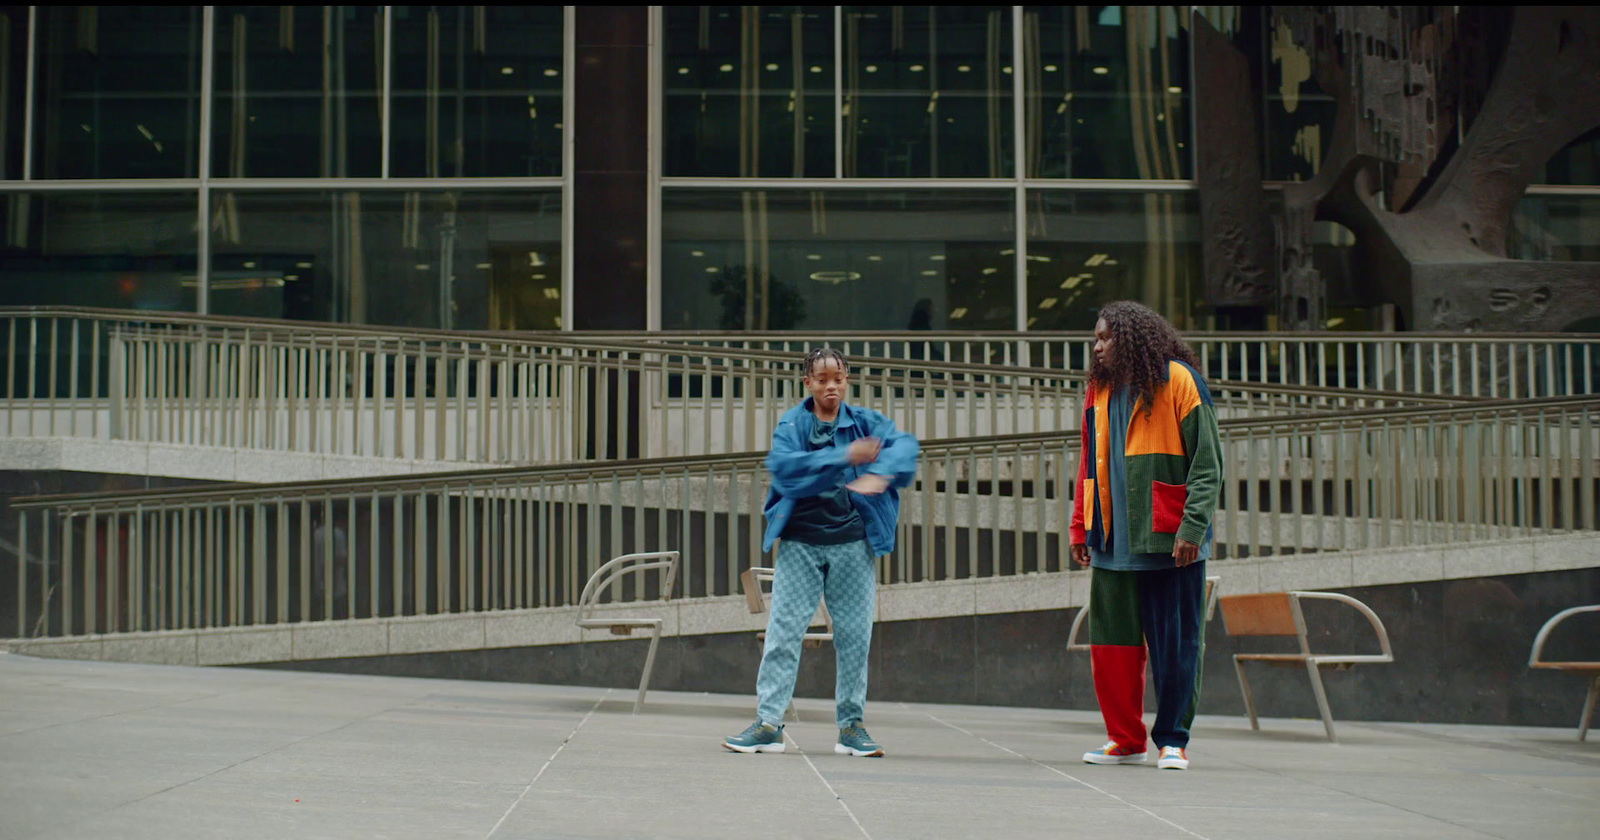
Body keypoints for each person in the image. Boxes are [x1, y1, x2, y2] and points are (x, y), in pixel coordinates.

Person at [723, 347, 921, 757]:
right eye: (822, 378)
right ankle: (769, 724)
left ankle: (851, 727)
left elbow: (905, 451)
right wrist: (845, 456)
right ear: (807, 383)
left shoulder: (865, 422)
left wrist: (882, 472)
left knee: (854, 637)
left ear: (846, 380)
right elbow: (786, 469)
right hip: (800, 544)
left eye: (838, 378)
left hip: (853, 544)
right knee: (784, 633)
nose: (831, 385)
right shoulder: (793, 423)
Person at [1069, 301, 1222, 771]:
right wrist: (1080, 523)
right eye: (1096, 338)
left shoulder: (1178, 381)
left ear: (1132, 338)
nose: (1097, 346)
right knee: (1112, 648)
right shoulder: (1099, 388)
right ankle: (1124, 738)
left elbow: (1208, 464)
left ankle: (1173, 740)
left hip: (1169, 538)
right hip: (1111, 538)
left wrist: (1192, 527)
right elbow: (1086, 462)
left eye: (1105, 338)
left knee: (1176, 645)